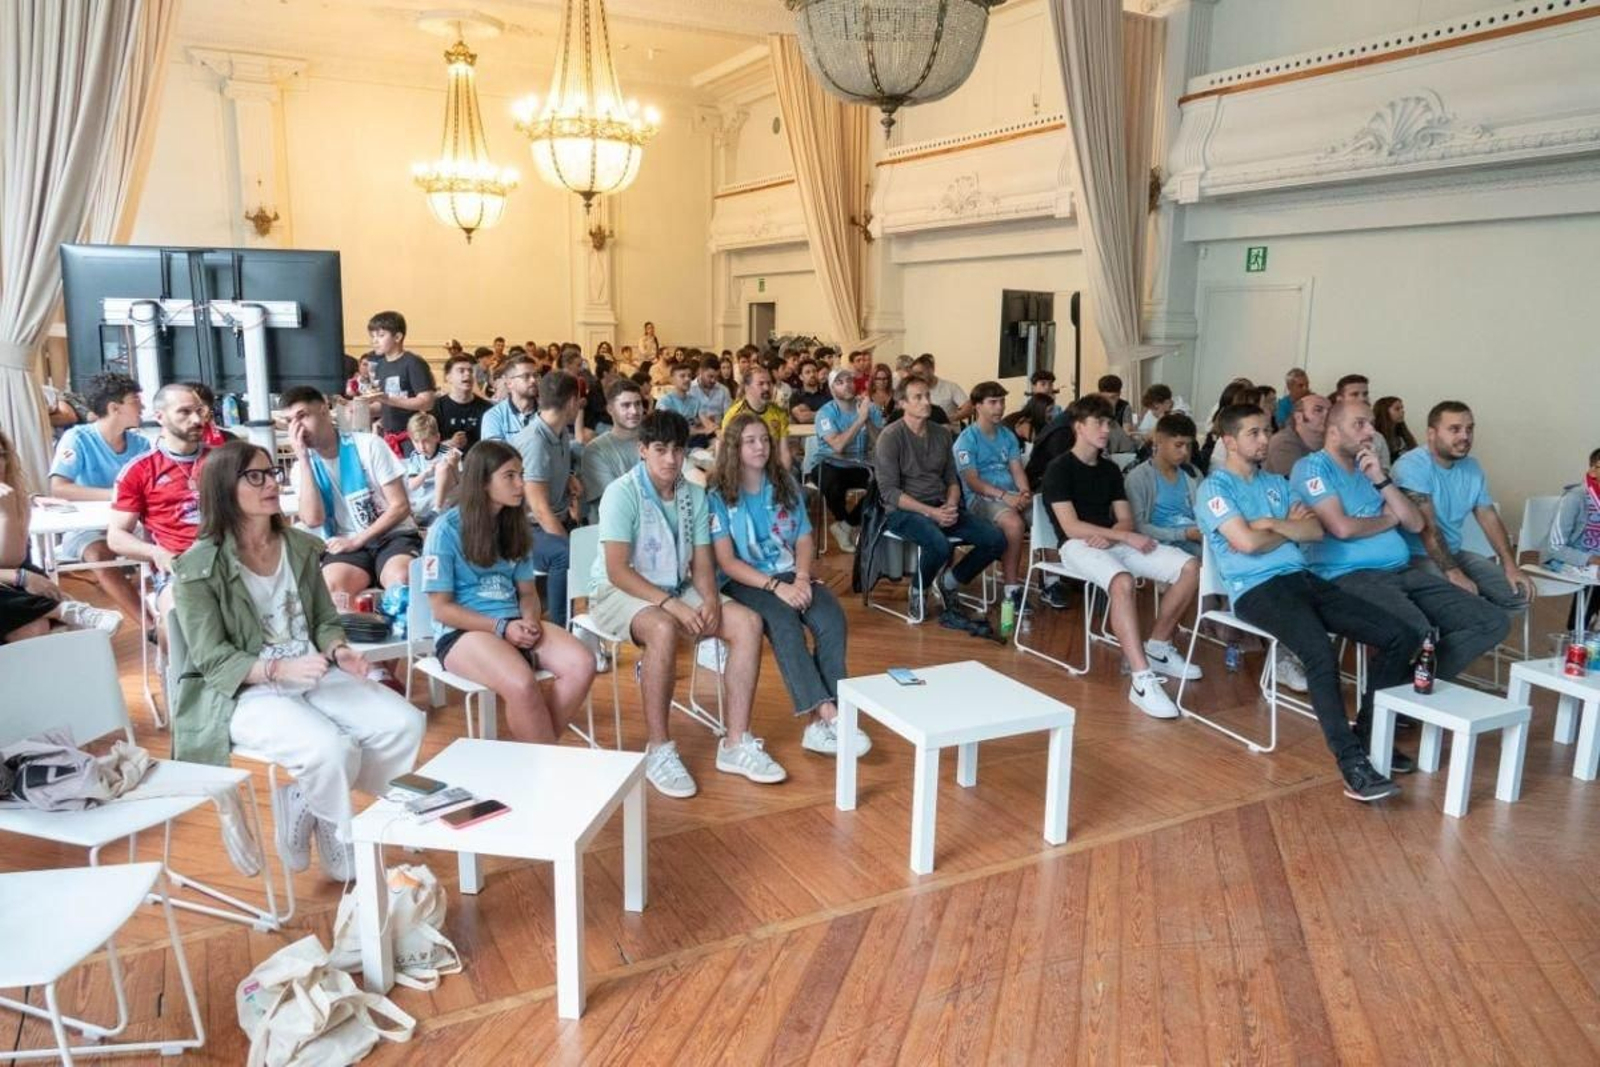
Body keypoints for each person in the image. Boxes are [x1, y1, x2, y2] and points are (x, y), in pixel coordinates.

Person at [172, 438, 424, 881]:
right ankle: (336, 827)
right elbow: (213, 660)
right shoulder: (197, 567)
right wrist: (277, 669)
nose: (271, 483)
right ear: (224, 489)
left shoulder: (301, 548)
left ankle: (307, 803)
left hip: (312, 671)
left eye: (271, 473)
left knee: (404, 723)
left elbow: (325, 620)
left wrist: (339, 649)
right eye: (256, 475)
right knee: (331, 748)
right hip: (244, 689)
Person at [1196, 404, 1417, 802]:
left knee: (1400, 634)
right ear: (1229, 441)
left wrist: (1270, 525)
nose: (1264, 440)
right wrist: (1284, 528)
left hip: (1302, 580)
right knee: (1319, 652)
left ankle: (1364, 734)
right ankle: (1352, 765)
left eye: (1266, 431)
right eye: (1253, 433)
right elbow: (1244, 544)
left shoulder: (1277, 485)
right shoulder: (1216, 489)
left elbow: (1314, 531)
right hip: (1257, 590)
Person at [591, 409, 785, 798]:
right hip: (620, 592)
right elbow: (616, 571)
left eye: (678, 450)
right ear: (642, 450)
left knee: (747, 623)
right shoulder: (622, 493)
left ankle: (735, 742)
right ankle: (659, 750)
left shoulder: (693, 494)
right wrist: (672, 605)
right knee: (662, 629)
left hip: (677, 586)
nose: (670, 459)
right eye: (660, 449)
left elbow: (701, 561)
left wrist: (711, 598)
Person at [1291, 400, 1508, 683]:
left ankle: (1409, 688)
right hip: (1347, 576)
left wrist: (1381, 479)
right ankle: (1395, 700)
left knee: (1492, 622)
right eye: (1360, 424)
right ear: (1333, 431)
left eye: (1371, 423)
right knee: (1417, 630)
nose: (1370, 431)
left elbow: (1415, 523)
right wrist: (1388, 520)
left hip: (1399, 570)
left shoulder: (1369, 469)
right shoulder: (1311, 469)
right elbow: (1342, 528)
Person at [708, 414, 869, 757]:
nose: (760, 447)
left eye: (764, 439)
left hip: (789, 574)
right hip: (745, 580)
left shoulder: (785, 484)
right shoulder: (718, 495)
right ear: (734, 447)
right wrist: (774, 587)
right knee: (784, 625)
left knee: (831, 620)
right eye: (750, 440)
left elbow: (805, 539)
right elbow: (727, 562)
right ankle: (830, 715)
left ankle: (817, 727)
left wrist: (800, 577)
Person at [421, 440, 595, 742]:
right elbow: (441, 609)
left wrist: (529, 620)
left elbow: (527, 592)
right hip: (463, 632)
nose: (520, 484)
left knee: (582, 663)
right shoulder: (445, 529)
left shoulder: (514, 526)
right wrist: (502, 627)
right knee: (522, 684)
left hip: (513, 621)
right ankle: (547, 764)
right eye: (510, 476)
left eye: (521, 474)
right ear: (484, 481)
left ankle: (538, 754)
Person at [1042, 395, 1203, 718]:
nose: (1106, 429)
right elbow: (1072, 527)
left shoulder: (1110, 469)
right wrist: (1119, 534)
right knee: (1123, 582)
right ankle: (1142, 680)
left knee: (1190, 566)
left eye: (1109, 423)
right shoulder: (1059, 469)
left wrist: (1116, 534)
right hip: (1076, 547)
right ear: (1079, 427)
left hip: (1114, 541)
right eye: (1099, 423)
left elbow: (1126, 518)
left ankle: (1157, 646)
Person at [876, 374, 1006, 627]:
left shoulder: (941, 434)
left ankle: (949, 582)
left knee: (996, 539)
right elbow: (889, 492)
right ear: (903, 403)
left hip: (941, 505)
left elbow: (952, 478)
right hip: (903, 511)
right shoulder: (890, 437)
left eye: (927, 396)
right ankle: (918, 590)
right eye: (918, 397)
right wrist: (931, 513)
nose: (926, 402)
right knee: (940, 545)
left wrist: (950, 503)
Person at [1393, 401, 1532, 614]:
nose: (1465, 437)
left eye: (1469, 429)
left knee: (1520, 594)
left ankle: (1473, 635)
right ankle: (1449, 639)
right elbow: (1427, 528)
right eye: (1454, 429)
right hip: (1415, 557)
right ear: (1432, 433)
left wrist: (1510, 566)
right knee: (1462, 602)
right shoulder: (1411, 466)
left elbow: (1488, 517)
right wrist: (1453, 572)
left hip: (1454, 552)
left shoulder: (1472, 467)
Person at [284, 386, 420, 601]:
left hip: (392, 535)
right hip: (343, 542)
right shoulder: (301, 469)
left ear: (324, 411)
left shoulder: (369, 445)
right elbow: (313, 519)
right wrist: (304, 460)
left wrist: (358, 540)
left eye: (303, 416)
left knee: (402, 580)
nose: (298, 428)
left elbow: (400, 506)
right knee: (331, 589)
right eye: (290, 421)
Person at [47, 371, 151, 624]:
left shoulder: (141, 445)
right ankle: (149, 627)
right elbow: (59, 488)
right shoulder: (78, 439)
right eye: (136, 400)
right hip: (86, 528)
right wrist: (117, 495)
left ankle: (166, 613)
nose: (143, 406)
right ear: (115, 408)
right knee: (98, 555)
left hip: (129, 523)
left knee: (162, 543)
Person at [1, 429, 123, 641]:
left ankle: (65, 613)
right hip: (9, 580)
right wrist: (18, 577)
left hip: (10, 580)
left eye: (1, 455)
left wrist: (12, 508)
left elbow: (12, 559)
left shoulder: (12, 497)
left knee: (33, 627)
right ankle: (66, 611)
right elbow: (10, 565)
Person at [106, 383, 213, 616]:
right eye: (184, 412)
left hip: (229, 560)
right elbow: (116, 537)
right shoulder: (139, 470)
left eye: (199, 411)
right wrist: (157, 553)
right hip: (178, 567)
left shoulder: (222, 461)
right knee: (180, 616)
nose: (196, 419)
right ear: (160, 417)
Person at [953, 381, 1032, 635]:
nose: (1000, 407)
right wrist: (1005, 497)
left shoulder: (1007, 435)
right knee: (1014, 523)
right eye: (993, 402)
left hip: (1009, 495)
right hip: (982, 499)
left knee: (1048, 515)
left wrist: (1024, 492)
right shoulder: (967, 439)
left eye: (1002, 401)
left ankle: (1051, 581)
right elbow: (973, 481)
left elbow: (1017, 469)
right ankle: (1011, 589)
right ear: (977, 406)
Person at [515, 370, 582, 626]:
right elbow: (539, 509)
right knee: (567, 554)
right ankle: (561, 627)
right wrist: (570, 544)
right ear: (571, 403)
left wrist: (567, 476)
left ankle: (578, 621)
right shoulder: (535, 442)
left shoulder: (559, 431)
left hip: (551, 520)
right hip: (524, 529)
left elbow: (549, 470)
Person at [810, 366, 884, 553]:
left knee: (885, 483)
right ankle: (843, 521)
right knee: (832, 483)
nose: (847, 385)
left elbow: (882, 444)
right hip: (829, 463)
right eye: (840, 382)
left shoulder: (870, 408)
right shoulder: (825, 413)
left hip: (860, 465)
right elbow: (837, 446)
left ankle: (846, 526)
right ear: (832, 388)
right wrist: (859, 421)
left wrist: (867, 419)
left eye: (849, 380)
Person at [1125, 413, 1203, 557]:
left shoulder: (1192, 474)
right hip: (1158, 544)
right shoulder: (1138, 478)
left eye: (1188, 445)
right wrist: (1183, 534)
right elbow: (1138, 527)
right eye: (1178, 445)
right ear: (1159, 441)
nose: (1185, 452)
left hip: (1194, 538)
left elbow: (1204, 513)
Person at [1546, 446, 1600, 631]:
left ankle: (1590, 634)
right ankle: (1577, 636)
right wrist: (1594, 560)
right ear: (1592, 471)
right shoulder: (1575, 498)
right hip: (1567, 559)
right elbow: (1555, 547)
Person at [364, 311, 437, 437]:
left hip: (413, 436)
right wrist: (359, 409)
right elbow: (384, 406)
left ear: (397, 337)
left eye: (380, 335)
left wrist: (388, 399)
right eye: (372, 336)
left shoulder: (413, 363)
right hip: (388, 435)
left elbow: (427, 402)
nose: (374, 341)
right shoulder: (380, 366)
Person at [582, 378, 647, 521]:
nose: (634, 411)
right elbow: (615, 501)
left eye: (638, 404)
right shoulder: (596, 451)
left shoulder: (652, 442)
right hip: (615, 527)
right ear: (610, 409)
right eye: (626, 405)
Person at [721, 363, 791, 470]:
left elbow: (784, 452)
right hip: (744, 469)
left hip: (773, 469)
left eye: (769, 383)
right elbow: (728, 453)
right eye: (761, 384)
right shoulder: (734, 415)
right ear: (747, 388)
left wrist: (785, 479)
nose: (767, 388)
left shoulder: (779, 413)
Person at [402, 412, 455, 526]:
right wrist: (426, 473)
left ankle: (437, 510)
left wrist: (453, 464)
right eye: (416, 442)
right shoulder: (415, 455)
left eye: (426, 441)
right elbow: (412, 485)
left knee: (443, 467)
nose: (421, 447)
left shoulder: (448, 452)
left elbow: (461, 479)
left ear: (437, 437)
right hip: (425, 493)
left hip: (448, 491)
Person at [434, 352, 492, 449]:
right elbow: (427, 449)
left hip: (477, 461)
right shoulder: (436, 407)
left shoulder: (487, 409)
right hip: (444, 460)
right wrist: (449, 444)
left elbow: (493, 446)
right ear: (448, 377)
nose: (467, 374)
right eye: (461, 371)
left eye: (470, 371)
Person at [479, 353, 540, 443]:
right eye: (526, 376)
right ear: (509, 383)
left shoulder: (548, 413)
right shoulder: (494, 416)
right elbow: (495, 454)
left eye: (535, 375)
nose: (533, 380)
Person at [1264, 393, 1329, 476]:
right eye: (1318, 410)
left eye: (1330, 411)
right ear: (1298, 417)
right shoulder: (1283, 443)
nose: (1327, 415)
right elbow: (1302, 483)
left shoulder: (1331, 439)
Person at [911, 354, 971, 423]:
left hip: (948, 430)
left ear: (931, 370)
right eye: (915, 375)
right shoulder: (914, 390)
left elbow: (969, 408)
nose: (917, 378)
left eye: (920, 373)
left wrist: (948, 419)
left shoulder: (950, 387)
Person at [688, 354, 732, 443]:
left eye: (716, 377)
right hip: (695, 435)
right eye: (710, 376)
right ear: (701, 371)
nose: (713, 380)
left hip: (718, 435)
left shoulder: (723, 391)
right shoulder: (689, 390)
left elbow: (729, 417)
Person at [1373, 396, 1417, 462]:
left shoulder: (1403, 436)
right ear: (1384, 412)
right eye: (1397, 409)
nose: (1402, 411)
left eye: (1402, 408)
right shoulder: (1377, 438)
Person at [788, 358, 831, 423]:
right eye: (807, 372)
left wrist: (810, 413)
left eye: (814, 371)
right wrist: (825, 413)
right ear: (801, 377)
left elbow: (834, 416)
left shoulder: (828, 394)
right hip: (803, 432)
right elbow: (802, 418)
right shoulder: (795, 396)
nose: (812, 375)